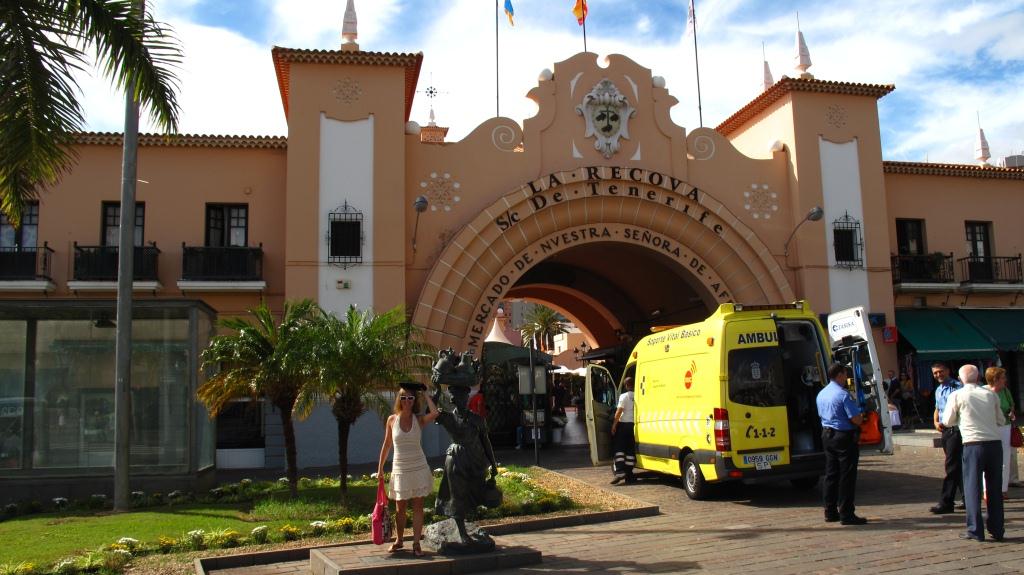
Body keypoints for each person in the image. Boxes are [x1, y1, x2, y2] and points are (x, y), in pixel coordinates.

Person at [941, 364, 1005, 542]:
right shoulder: (990, 395)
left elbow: (947, 421)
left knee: (972, 488)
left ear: (960, 379)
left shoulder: (956, 395)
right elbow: (1000, 419)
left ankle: (975, 529)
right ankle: (997, 529)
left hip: (973, 444)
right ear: (978, 378)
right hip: (994, 444)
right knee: (994, 488)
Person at [376, 382, 439, 557]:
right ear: (399, 399)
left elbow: (435, 413)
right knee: (400, 508)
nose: (407, 400)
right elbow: (387, 445)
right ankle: (399, 540)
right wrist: (380, 468)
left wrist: (425, 394)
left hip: (418, 467)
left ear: (414, 400)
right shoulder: (392, 420)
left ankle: (417, 543)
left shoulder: (418, 419)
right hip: (400, 468)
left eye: (410, 397)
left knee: (418, 506)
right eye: (403, 397)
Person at [433, 382, 501, 545]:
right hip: (456, 459)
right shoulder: (448, 417)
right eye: (458, 397)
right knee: (458, 494)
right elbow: (430, 412)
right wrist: (436, 392)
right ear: (453, 400)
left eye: (464, 397)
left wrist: (493, 464)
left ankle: (466, 526)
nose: (462, 400)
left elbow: (486, 442)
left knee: (474, 493)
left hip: (475, 460)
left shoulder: (477, 419)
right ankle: (462, 532)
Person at [816, 362, 867, 525]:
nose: (846, 378)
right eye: (845, 374)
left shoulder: (821, 393)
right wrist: (862, 416)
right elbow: (856, 419)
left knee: (831, 474)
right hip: (843, 437)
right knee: (847, 475)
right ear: (839, 375)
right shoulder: (843, 395)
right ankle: (846, 513)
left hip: (827, 435)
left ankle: (830, 511)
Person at [930, 362, 963, 515]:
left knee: (952, 466)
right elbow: (938, 408)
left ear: (948, 371)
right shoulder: (938, 389)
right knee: (957, 466)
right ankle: (967, 499)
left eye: (941, 371)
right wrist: (935, 421)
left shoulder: (957, 387)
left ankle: (946, 502)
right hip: (945, 431)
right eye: (935, 373)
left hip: (956, 430)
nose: (938, 375)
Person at [983, 367, 1015, 498]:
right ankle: (987, 490)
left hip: (1004, 427)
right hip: (989, 428)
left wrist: (1011, 412)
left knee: (1005, 458)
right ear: (995, 379)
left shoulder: (1005, 390)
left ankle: (1002, 489)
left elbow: (1011, 404)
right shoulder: (983, 391)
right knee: (987, 459)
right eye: (1002, 378)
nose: (1005, 380)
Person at [610, 377, 636, 485]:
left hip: (623, 425)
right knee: (630, 450)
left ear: (625, 386)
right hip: (633, 426)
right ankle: (629, 474)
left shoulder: (624, 396)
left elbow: (619, 411)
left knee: (619, 448)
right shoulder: (638, 396)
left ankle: (620, 471)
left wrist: (614, 425)